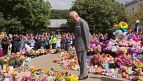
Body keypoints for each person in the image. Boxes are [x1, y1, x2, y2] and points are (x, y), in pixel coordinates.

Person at [69, 11, 90, 80]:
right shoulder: (77, 23)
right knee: (80, 61)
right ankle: (83, 74)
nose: (72, 20)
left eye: (72, 18)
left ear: (76, 15)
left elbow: (86, 34)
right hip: (78, 45)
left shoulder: (82, 22)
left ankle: (84, 75)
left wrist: (87, 45)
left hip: (82, 45)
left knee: (82, 60)